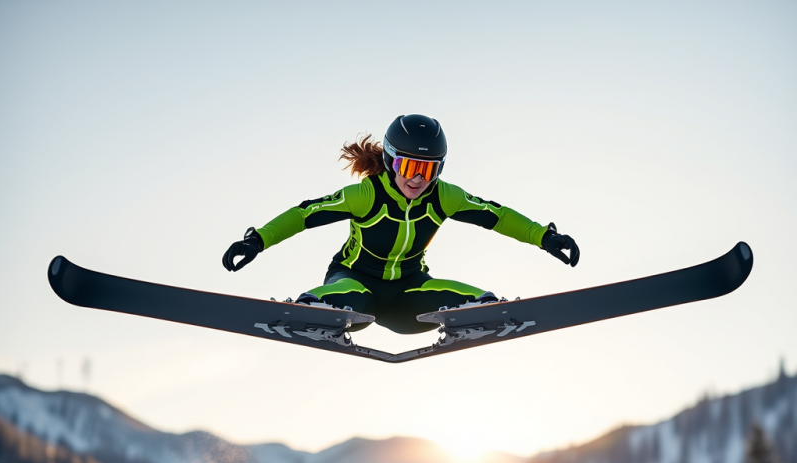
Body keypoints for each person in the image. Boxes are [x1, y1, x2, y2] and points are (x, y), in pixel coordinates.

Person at [222, 114, 579, 334]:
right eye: (408, 167)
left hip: (408, 297)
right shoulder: (366, 194)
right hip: (355, 283)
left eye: (428, 169)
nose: (417, 178)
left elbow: (497, 216)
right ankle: (312, 310)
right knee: (353, 295)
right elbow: (304, 214)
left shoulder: (445, 196)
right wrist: (257, 241)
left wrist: (545, 238)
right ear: (391, 162)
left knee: (477, 299)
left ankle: (479, 318)